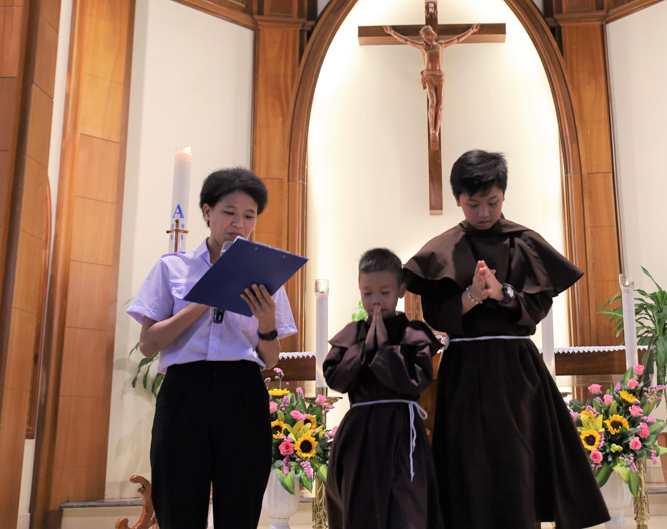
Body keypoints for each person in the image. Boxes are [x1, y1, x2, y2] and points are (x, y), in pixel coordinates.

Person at [403, 150, 609, 529]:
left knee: (519, 459)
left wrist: (503, 293)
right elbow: (435, 313)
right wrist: (471, 296)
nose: (483, 212)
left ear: (504, 195)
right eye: (473, 204)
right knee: (466, 463)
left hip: (516, 369)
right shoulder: (443, 248)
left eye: (492, 202)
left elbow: (539, 304)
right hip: (464, 369)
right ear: (457, 199)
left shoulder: (524, 241)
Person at [127, 167, 297, 529]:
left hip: (242, 393)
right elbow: (147, 344)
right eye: (229, 212)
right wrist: (204, 299)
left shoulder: (263, 275)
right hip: (185, 393)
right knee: (178, 505)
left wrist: (267, 322)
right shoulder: (173, 268)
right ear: (207, 212)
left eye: (249, 216)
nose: (239, 224)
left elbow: (270, 359)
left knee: (240, 507)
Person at [323, 248, 443, 529]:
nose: (375, 300)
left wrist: (386, 348)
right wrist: (365, 349)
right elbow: (336, 379)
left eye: (384, 292)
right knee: (360, 504)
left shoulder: (414, 332)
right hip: (359, 433)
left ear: (401, 290)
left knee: (406, 506)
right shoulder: (353, 334)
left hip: (401, 429)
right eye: (367, 293)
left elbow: (416, 380)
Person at [383, 23, 480, 148]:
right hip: (429, 76)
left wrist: (471, 30)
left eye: (428, 35)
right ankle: (431, 130)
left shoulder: (440, 45)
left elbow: (457, 39)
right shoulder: (423, 47)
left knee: (440, 104)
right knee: (433, 102)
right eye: (425, 36)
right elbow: (406, 41)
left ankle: (436, 130)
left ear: (433, 34)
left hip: (439, 77)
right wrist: (391, 32)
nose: (428, 38)